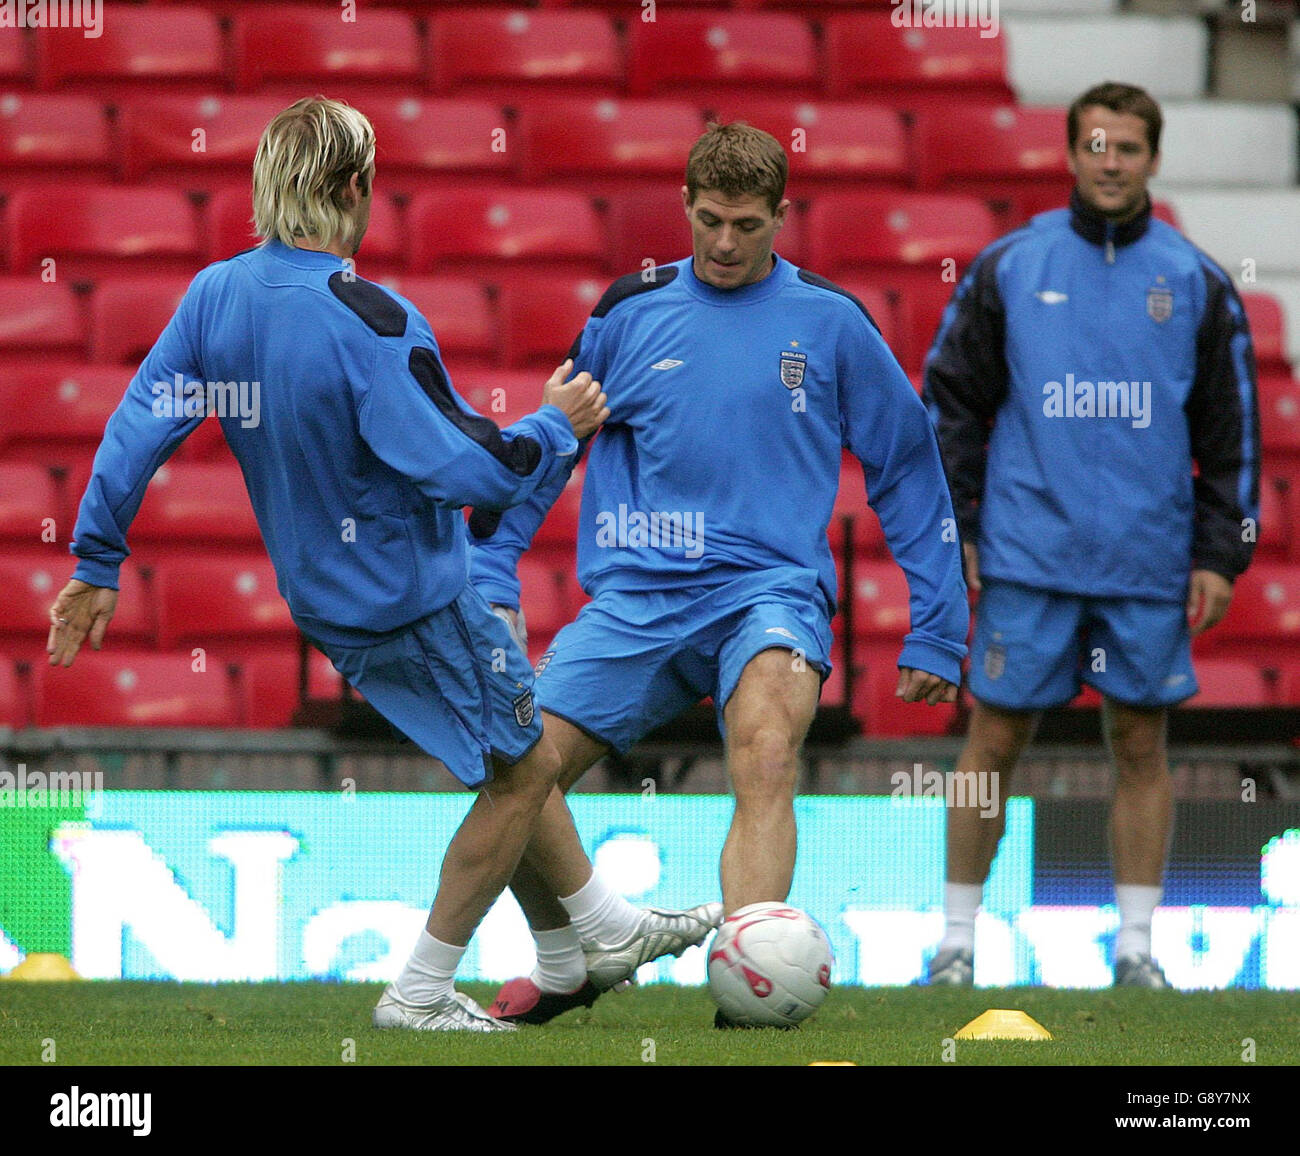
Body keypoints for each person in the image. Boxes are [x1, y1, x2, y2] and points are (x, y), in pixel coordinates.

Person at [44, 96, 719, 1032]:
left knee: (509, 751)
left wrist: (96, 556)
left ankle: (595, 935)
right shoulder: (370, 320)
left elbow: (135, 430)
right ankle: (421, 991)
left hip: (324, 600)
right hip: (412, 595)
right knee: (522, 777)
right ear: (357, 187)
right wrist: (554, 431)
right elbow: (470, 470)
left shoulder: (215, 294)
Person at [468, 122, 970, 1026]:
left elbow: (908, 466)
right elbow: (552, 441)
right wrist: (492, 562)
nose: (726, 243)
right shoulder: (627, 313)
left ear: (782, 215)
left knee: (769, 748)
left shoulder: (831, 324)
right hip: (638, 601)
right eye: (709, 221)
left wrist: (938, 623)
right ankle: (573, 956)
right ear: (686, 209)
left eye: (747, 224)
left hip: (770, 592)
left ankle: (747, 996)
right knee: (513, 768)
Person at [923, 82, 1259, 989]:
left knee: (1142, 746)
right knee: (992, 739)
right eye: (1096, 145)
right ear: (1071, 154)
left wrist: (1219, 552)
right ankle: (956, 942)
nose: (1111, 162)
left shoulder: (1195, 281)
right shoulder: (1010, 268)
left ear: (1154, 158)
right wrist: (963, 525)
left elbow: (1232, 434)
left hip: (1147, 559)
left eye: (1130, 147)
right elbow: (950, 405)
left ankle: (1138, 952)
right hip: (1029, 554)